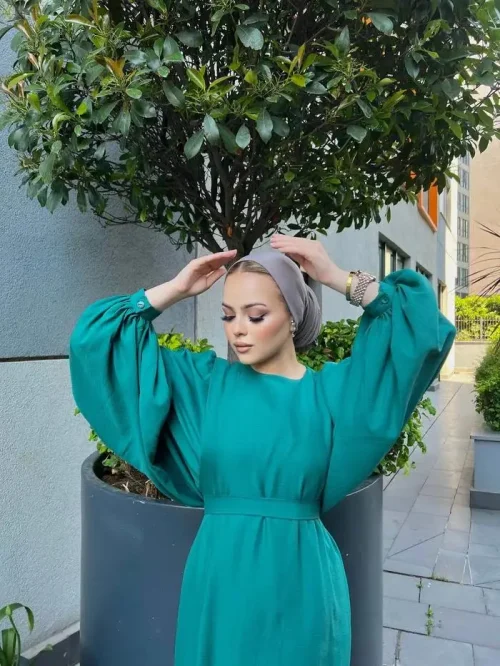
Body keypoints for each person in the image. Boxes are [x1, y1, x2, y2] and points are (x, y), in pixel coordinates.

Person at [69, 235, 456, 666]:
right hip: (218, 583)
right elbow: (97, 342)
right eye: (228, 314)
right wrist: (176, 289)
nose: (238, 329)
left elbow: (419, 326)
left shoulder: (330, 396)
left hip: (303, 586)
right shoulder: (205, 387)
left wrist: (335, 276)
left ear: (292, 316)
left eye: (256, 315)